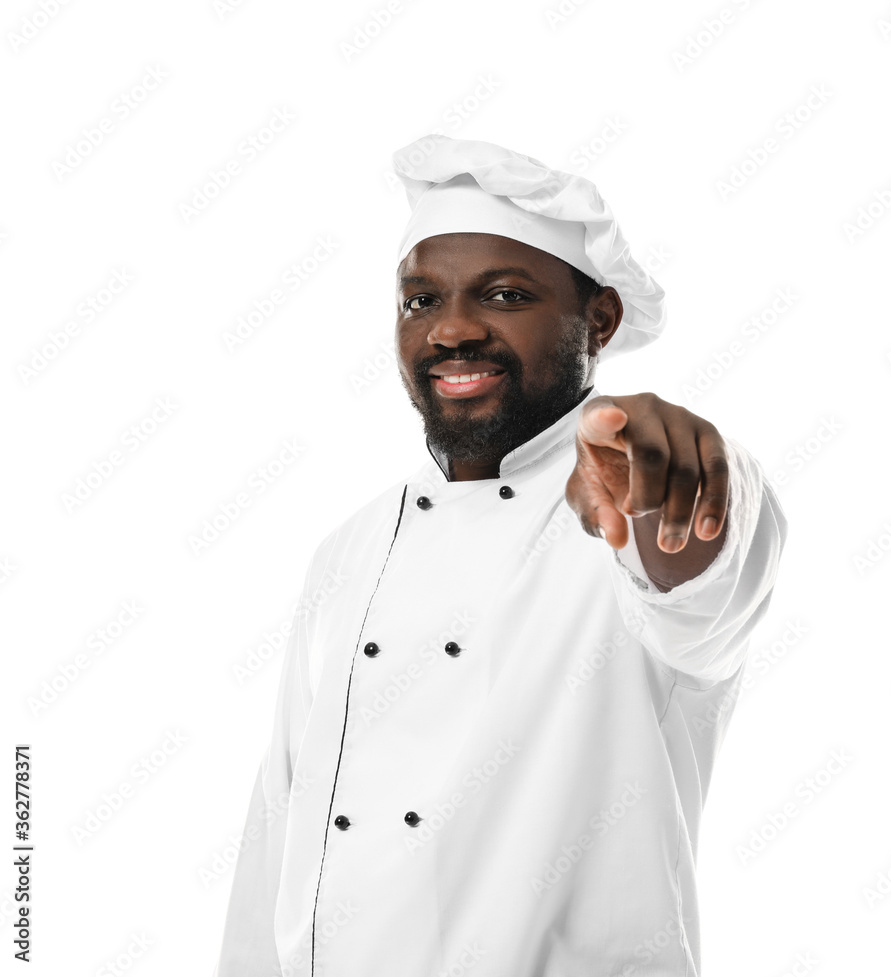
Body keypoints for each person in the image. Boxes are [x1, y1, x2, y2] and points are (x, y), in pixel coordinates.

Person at [214, 133, 789, 977]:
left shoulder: (633, 500)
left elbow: (705, 576)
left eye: (505, 293)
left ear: (599, 320)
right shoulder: (346, 550)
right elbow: (276, 832)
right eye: (420, 301)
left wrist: (691, 488)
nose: (450, 328)